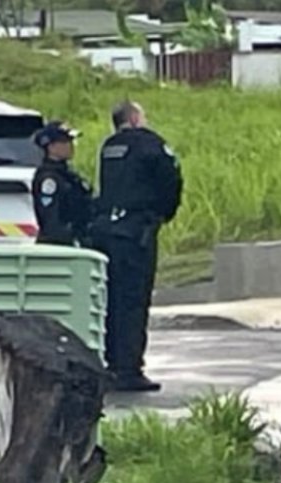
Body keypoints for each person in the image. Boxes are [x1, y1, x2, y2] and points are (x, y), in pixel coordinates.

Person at [91, 101, 183, 392]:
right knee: (133, 299)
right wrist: (162, 214)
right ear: (134, 118)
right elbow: (171, 181)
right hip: (135, 233)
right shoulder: (150, 144)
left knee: (111, 299)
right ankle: (129, 369)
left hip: (107, 230)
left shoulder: (109, 147)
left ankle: (112, 362)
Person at [31, 121, 94, 246]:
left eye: (71, 141)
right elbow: (51, 221)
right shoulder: (48, 179)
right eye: (65, 142)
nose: (70, 146)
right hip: (58, 247)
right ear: (51, 147)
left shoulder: (68, 175)